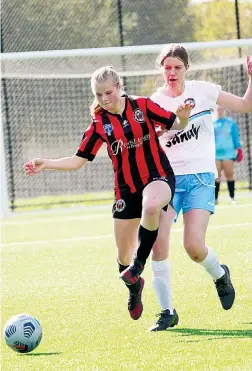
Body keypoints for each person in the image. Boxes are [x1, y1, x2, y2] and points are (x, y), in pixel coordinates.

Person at [24, 65, 192, 322]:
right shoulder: (99, 124)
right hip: (126, 190)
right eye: (99, 95)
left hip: (158, 176)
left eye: (109, 93)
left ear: (119, 87)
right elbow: (78, 160)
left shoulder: (144, 106)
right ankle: (134, 285)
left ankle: (138, 266)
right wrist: (46, 163)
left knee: (151, 206)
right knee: (122, 257)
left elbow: (178, 125)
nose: (104, 99)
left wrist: (184, 115)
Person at [129, 45, 251, 332]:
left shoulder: (204, 91)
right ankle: (167, 311)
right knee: (158, 244)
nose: (172, 73)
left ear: (186, 68)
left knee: (194, 248)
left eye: (177, 67)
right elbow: (145, 141)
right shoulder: (153, 102)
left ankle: (220, 275)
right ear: (161, 69)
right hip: (167, 179)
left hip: (200, 178)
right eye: (167, 67)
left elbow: (245, 105)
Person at [214, 105, 243, 205]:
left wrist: (238, 149)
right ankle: (215, 199)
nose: (220, 111)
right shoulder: (212, 123)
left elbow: (235, 137)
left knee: (229, 175)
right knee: (216, 177)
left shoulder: (230, 122)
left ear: (225, 110)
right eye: (218, 109)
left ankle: (232, 197)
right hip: (215, 154)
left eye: (221, 109)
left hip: (228, 153)